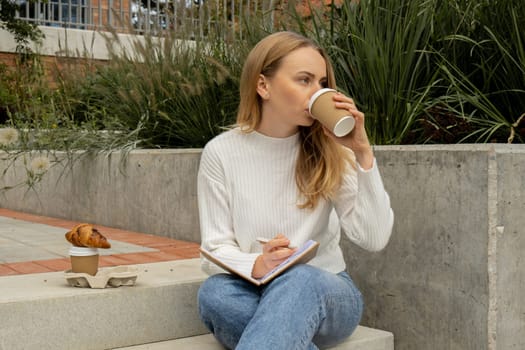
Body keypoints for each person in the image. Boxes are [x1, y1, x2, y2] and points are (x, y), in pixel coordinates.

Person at [197, 31, 394, 350]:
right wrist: (257, 265)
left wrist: (362, 152)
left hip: (326, 291)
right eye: (304, 80)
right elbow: (214, 250)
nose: (317, 93)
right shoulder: (220, 153)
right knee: (215, 293)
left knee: (298, 279)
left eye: (322, 83)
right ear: (263, 86)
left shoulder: (333, 149)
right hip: (255, 289)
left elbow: (373, 238)